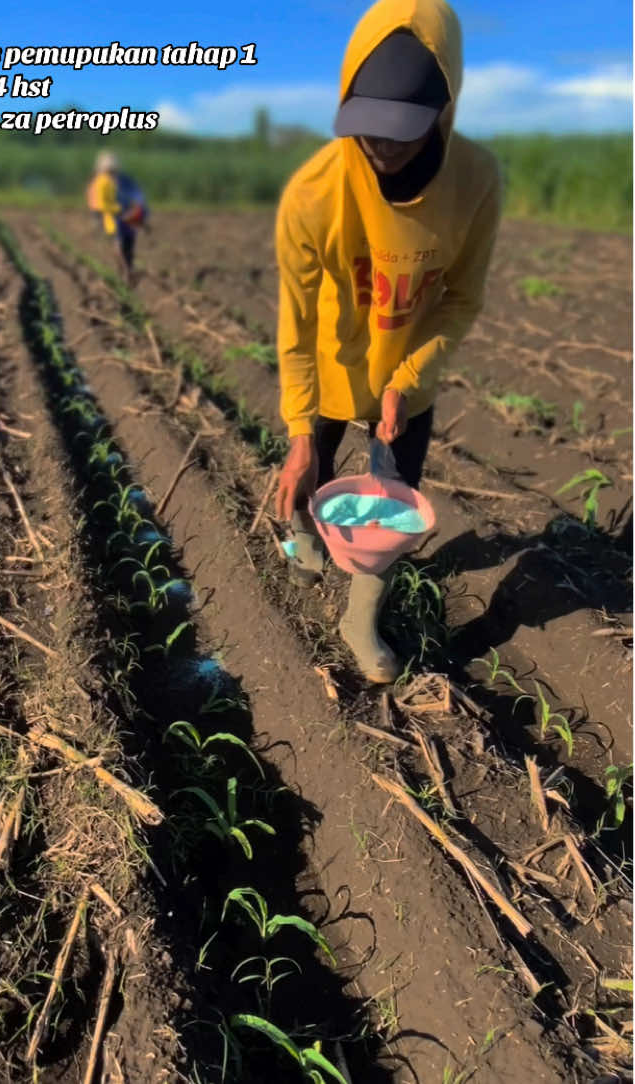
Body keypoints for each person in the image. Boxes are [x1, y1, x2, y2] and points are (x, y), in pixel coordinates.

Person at [274, 0, 502, 684]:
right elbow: (295, 324)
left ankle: (358, 619)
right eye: (366, 124)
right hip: (331, 364)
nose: (381, 145)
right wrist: (298, 432)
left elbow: (459, 297)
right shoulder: (314, 194)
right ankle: (297, 535)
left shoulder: (474, 181)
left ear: (445, 107)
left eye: (401, 130)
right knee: (307, 469)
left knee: (389, 501)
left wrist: (407, 376)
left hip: (406, 374)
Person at [86, 150, 149, 284]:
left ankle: (128, 272)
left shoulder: (125, 181)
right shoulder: (99, 182)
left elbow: (139, 199)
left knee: (128, 246)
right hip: (112, 219)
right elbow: (97, 204)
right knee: (118, 246)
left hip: (128, 219)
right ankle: (125, 272)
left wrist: (138, 214)